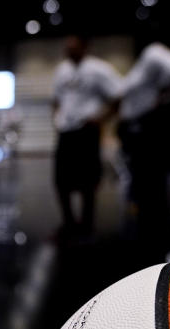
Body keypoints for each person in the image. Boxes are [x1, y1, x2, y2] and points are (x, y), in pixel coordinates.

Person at [118, 37, 170, 255]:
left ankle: (156, 242)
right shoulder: (144, 72)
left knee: (154, 194)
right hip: (142, 141)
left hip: (150, 141)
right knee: (147, 194)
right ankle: (150, 240)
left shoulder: (153, 55)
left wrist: (165, 95)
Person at [51, 35, 123, 237]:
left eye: (73, 47)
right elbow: (56, 99)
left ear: (84, 47)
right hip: (66, 132)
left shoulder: (99, 69)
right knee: (60, 181)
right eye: (67, 47)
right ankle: (68, 223)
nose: (69, 51)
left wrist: (102, 119)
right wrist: (56, 119)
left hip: (86, 131)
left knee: (87, 180)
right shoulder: (62, 70)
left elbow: (118, 96)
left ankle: (87, 225)